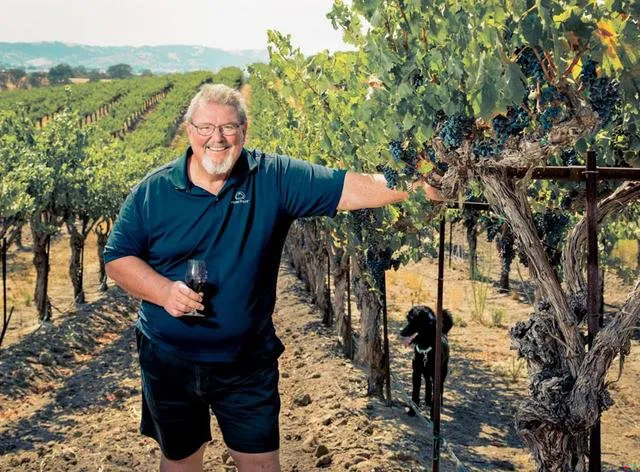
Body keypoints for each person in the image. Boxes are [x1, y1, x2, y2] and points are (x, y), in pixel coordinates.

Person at [104, 83, 441, 472]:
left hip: (246, 362)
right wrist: (163, 291)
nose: (217, 138)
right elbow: (117, 258)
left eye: (229, 128)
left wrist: (418, 186)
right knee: (179, 463)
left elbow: (348, 188)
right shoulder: (154, 190)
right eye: (206, 127)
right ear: (189, 131)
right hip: (169, 359)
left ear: (244, 132)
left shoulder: (272, 176)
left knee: (262, 465)